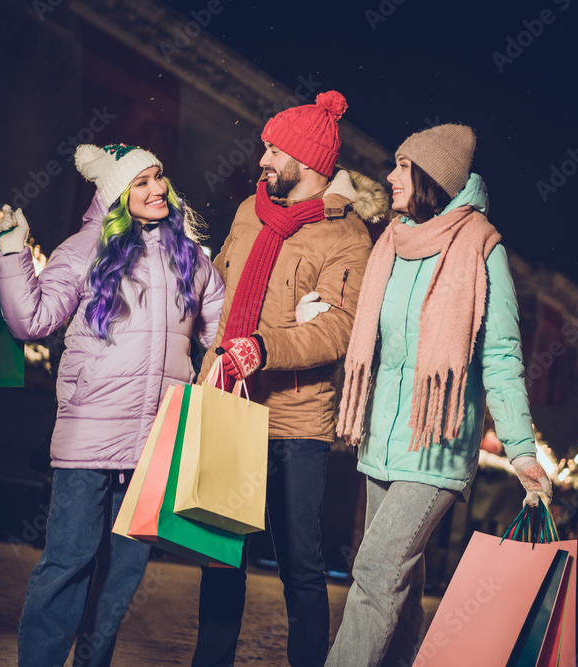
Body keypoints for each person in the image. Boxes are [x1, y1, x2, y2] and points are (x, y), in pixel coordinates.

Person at [327, 124, 553, 666]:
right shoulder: (393, 243)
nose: (390, 176)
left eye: (403, 167)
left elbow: (500, 356)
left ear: (431, 178)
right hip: (383, 439)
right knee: (398, 582)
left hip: (437, 440)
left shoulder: (481, 249)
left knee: (377, 570)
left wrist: (522, 450)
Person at [0, 143, 226, 666]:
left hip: (155, 438)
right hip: (90, 431)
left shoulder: (189, 257)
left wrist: (281, 320)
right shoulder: (83, 249)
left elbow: (220, 334)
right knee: (69, 560)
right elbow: (32, 320)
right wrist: (12, 253)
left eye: (159, 176)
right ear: (117, 193)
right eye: (141, 182)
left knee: (123, 573)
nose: (158, 189)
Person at [191, 90, 381, 667]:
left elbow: (342, 330)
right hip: (228, 402)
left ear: (307, 160)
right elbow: (217, 285)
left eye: (273, 150)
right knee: (221, 552)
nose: (262, 160)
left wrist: (264, 348)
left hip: (295, 422)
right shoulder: (250, 212)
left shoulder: (348, 238)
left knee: (300, 561)